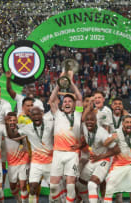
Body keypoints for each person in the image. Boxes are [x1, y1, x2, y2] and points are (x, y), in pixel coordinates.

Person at [48, 70, 83, 203]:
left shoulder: (78, 114)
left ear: (73, 105)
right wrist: (60, 83)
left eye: (70, 101)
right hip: (57, 153)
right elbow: (51, 100)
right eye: (65, 101)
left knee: (70, 185)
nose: (67, 103)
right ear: (62, 105)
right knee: (53, 187)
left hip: (72, 154)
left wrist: (71, 82)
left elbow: (79, 97)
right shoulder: (58, 114)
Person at [76, 111, 119, 203]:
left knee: (92, 184)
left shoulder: (102, 133)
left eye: (92, 120)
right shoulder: (84, 127)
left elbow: (117, 149)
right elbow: (89, 139)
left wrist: (101, 156)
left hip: (104, 160)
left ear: (96, 121)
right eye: (87, 120)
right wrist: (79, 145)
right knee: (80, 184)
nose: (89, 122)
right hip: (93, 159)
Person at [18, 106, 54, 203]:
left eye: (38, 114)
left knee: (54, 189)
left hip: (50, 163)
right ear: (30, 116)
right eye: (34, 114)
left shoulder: (50, 124)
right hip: (36, 163)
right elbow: (14, 134)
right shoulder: (26, 128)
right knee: (32, 188)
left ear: (42, 114)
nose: (36, 116)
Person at [4, 112, 31, 203]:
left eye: (14, 120)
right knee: (13, 187)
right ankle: (19, 200)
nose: (12, 122)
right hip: (12, 162)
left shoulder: (22, 127)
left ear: (17, 120)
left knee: (23, 185)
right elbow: (11, 136)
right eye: (10, 120)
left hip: (24, 160)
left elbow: (16, 135)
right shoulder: (4, 130)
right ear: (7, 121)